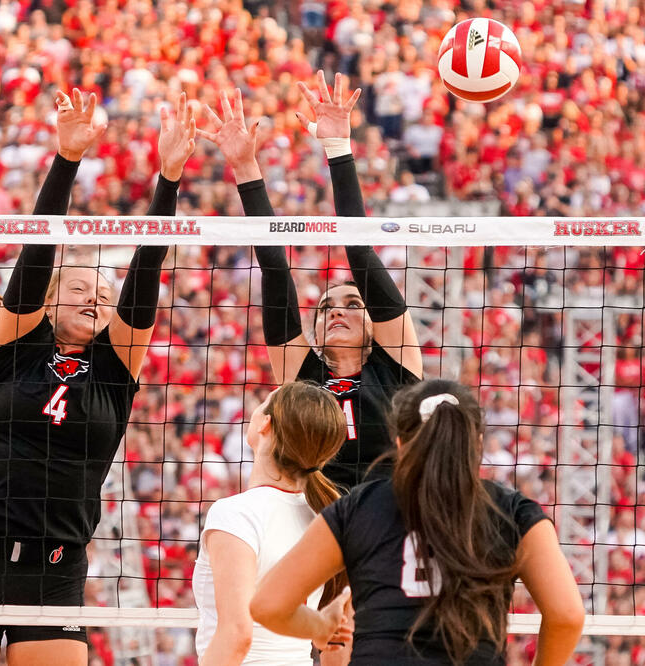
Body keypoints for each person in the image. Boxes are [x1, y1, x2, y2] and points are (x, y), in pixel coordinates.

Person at [0, 90, 196, 666]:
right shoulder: (17, 346)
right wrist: (67, 157)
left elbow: (145, 275)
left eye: (102, 294)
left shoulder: (114, 369)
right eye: (80, 290)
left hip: (57, 566)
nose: (96, 299)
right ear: (47, 304)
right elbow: (39, 249)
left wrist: (168, 177)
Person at [250, 379, 585, 665]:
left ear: (398, 443)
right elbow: (567, 616)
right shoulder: (513, 512)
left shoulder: (358, 507)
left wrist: (323, 627)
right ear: (478, 442)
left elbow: (268, 606)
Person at [199, 72, 422, 491]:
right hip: (315, 523)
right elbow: (275, 269)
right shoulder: (302, 373)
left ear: (376, 326)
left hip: (389, 518)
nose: (336, 308)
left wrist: (338, 147)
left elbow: (360, 250)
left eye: (354, 304)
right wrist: (245, 167)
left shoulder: (397, 367)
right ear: (315, 330)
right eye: (325, 307)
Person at [192, 381, 353, 665]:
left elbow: (237, 634)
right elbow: (335, 641)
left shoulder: (236, 513)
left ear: (265, 423)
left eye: (264, 404)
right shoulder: (327, 518)